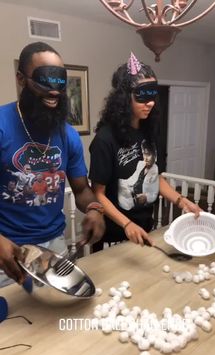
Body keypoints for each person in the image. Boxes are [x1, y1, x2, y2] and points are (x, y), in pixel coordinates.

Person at [0, 42, 105, 286]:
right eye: (44, 80)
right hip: (7, 249)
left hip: (54, 246)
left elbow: (81, 190)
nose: (54, 92)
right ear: (21, 79)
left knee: (53, 315)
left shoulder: (68, 135)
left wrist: (94, 209)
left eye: (59, 82)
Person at [89, 52, 201, 250]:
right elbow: (98, 194)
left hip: (145, 230)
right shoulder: (105, 139)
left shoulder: (150, 132)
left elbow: (156, 176)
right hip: (113, 236)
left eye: (152, 95)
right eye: (142, 96)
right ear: (124, 97)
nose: (150, 102)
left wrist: (181, 201)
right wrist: (127, 224)